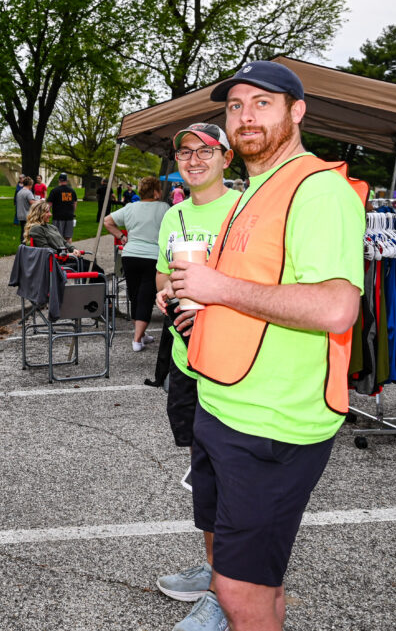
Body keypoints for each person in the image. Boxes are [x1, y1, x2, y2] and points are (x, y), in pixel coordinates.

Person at [167, 61, 365, 631]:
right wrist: (199, 302)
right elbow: (261, 289)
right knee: (257, 583)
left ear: (296, 112)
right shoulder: (258, 188)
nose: (245, 116)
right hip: (227, 406)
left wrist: (219, 287)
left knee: (238, 591)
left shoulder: (317, 190)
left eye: (262, 103)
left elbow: (334, 306)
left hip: (274, 424)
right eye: (235, 106)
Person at [151, 123, 240, 615]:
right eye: (186, 151)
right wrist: (165, 292)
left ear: (227, 157)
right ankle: (215, 569)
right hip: (187, 361)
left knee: (234, 474)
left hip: (232, 361)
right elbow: (165, 273)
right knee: (203, 473)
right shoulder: (174, 216)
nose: (195, 158)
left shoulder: (244, 210)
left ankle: (227, 591)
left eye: (206, 150)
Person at [103, 176, 169, 352]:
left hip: (130, 255)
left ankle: (141, 332)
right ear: (156, 192)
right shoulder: (164, 208)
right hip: (153, 256)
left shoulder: (130, 208)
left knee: (134, 295)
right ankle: (137, 339)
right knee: (146, 296)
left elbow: (107, 221)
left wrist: (122, 237)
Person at [23, 200, 104, 275]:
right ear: (39, 213)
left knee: (94, 268)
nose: (50, 214)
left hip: (65, 259)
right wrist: (67, 254)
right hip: (56, 262)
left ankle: (90, 289)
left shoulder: (51, 227)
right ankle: (94, 289)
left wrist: (73, 249)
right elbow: (46, 250)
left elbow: (64, 242)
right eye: (47, 212)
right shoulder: (36, 229)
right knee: (97, 272)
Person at [46, 172, 78, 242]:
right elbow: (74, 203)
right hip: (69, 216)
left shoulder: (54, 191)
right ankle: (68, 251)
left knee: (57, 236)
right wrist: (72, 212)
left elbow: (49, 204)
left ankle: (59, 251)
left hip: (58, 217)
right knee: (68, 237)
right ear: (67, 180)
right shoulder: (72, 191)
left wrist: (47, 214)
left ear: (59, 180)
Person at [16, 176, 36, 241]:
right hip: (27, 215)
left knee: (23, 231)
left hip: (20, 215)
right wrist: (40, 201)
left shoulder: (19, 192)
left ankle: (22, 246)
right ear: (30, 185)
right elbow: (32, 202)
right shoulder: (28, 192)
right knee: (28, 232)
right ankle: (26, 246)